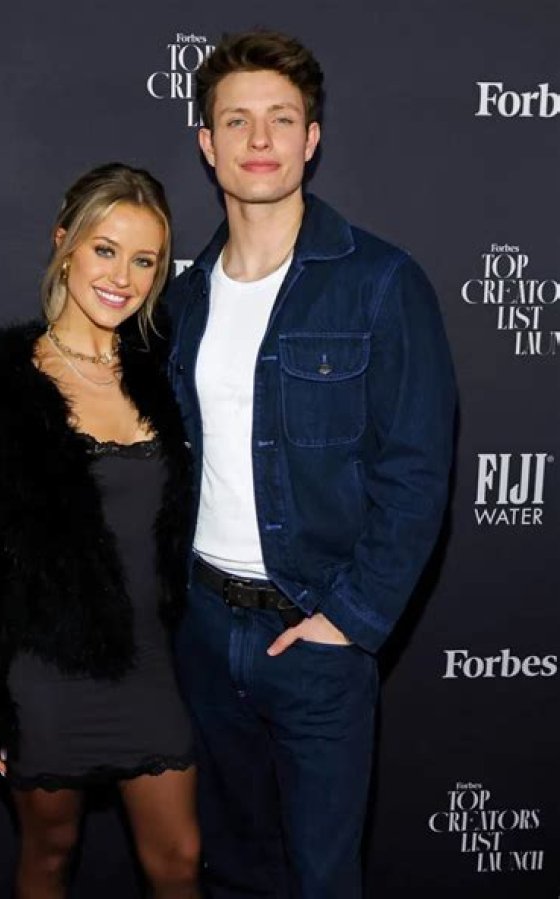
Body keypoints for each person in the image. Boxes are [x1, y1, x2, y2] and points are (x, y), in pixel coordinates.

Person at [165, 31, 456, 899]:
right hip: (203, 630)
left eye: (281, 119)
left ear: (312, 137)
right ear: (207, 143)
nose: (260, 139)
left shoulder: (382, 282)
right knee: (234, 873)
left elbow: (417, 471)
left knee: (324, 880)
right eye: (237, 120)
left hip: (315, 636)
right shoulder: (182, 297)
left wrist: (349, 621)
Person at [0, 163, 201, 899]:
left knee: (180, 861)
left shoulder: (168, 372)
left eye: (144, 260)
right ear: (64, 244)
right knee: (50, 853)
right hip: (43, 668)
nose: (122, 277)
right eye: (105, 250)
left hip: (151, 661)